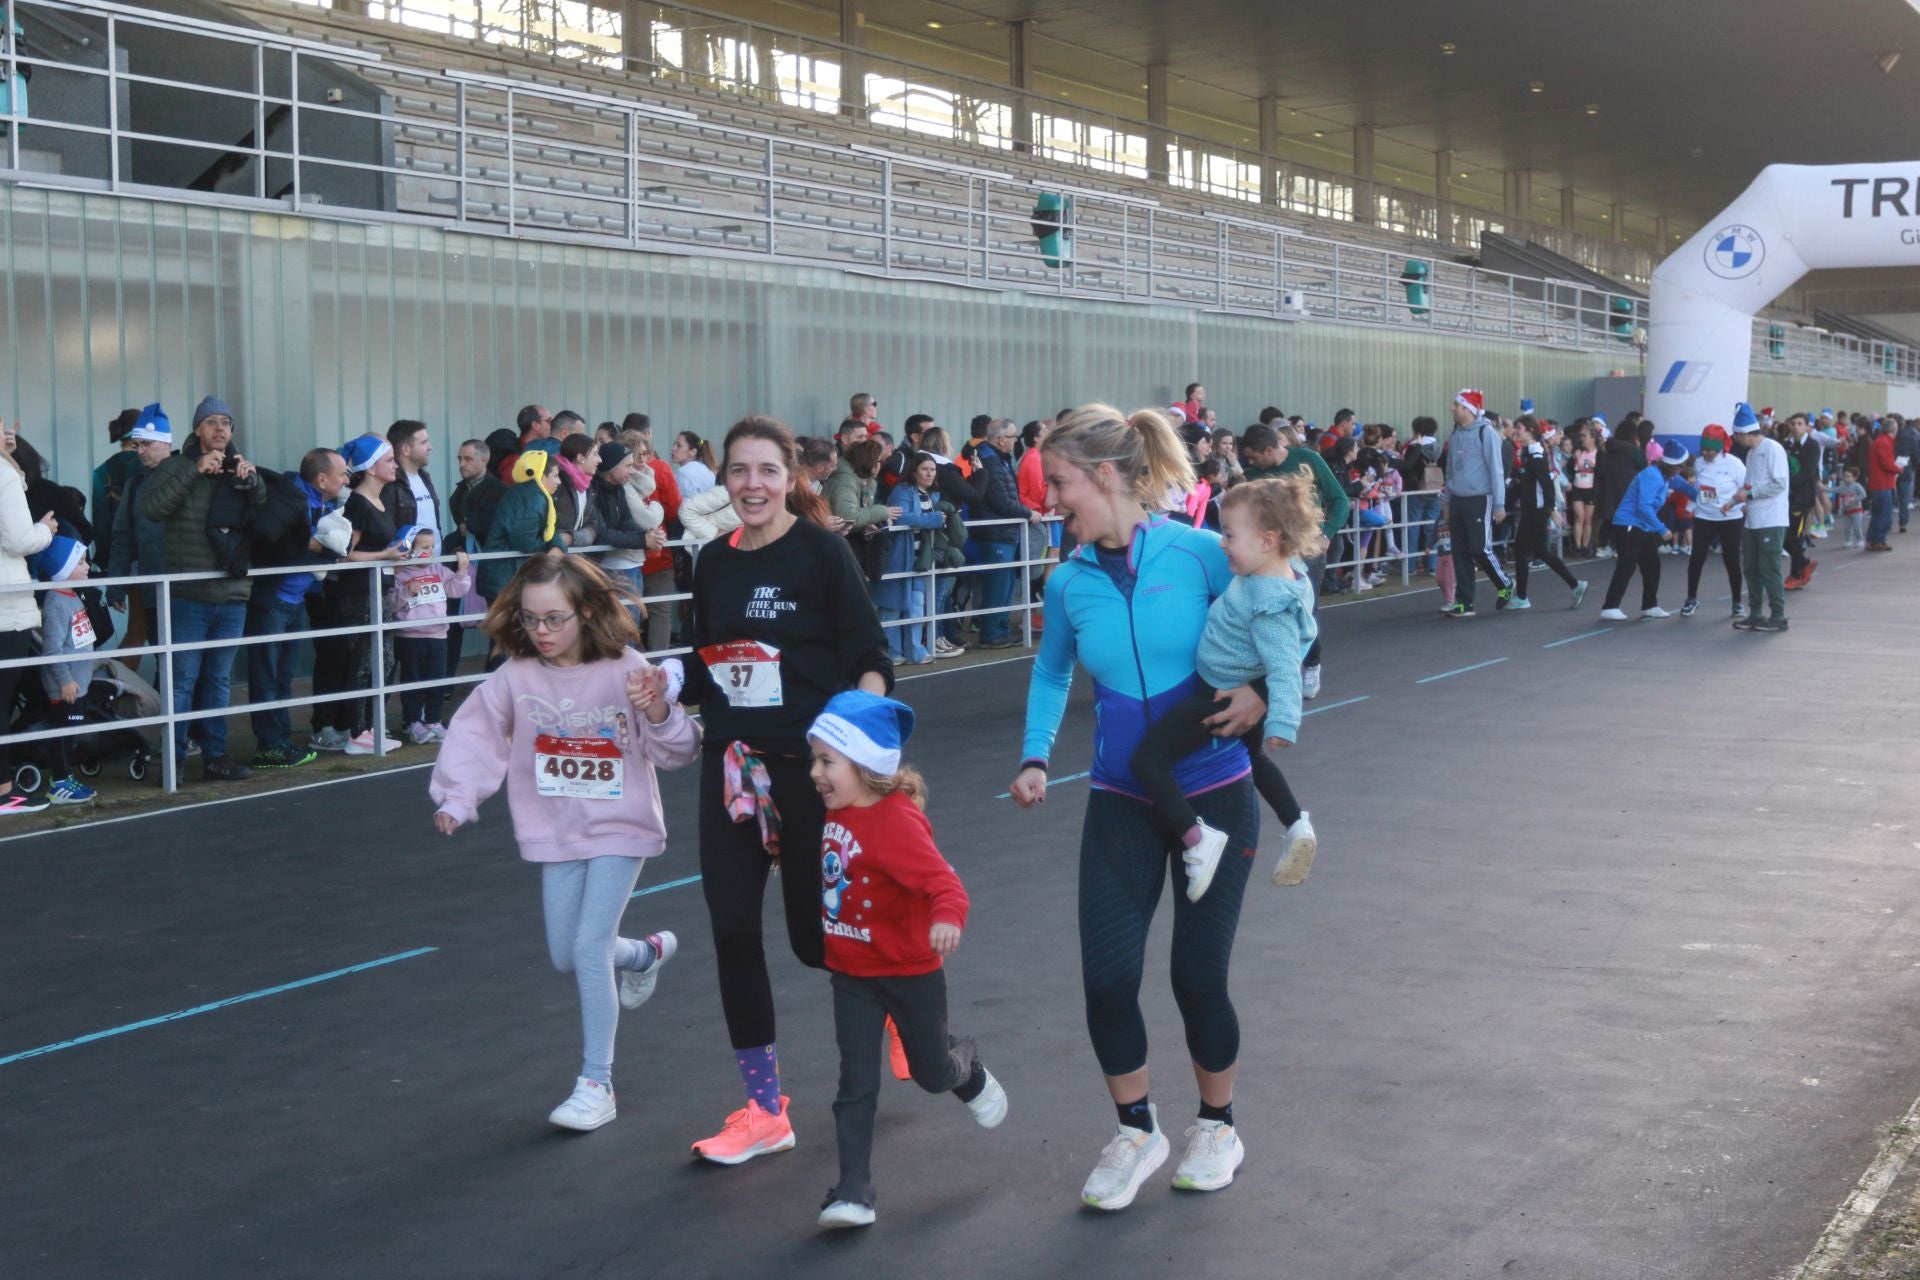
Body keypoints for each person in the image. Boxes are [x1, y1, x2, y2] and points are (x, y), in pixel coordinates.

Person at [1011, 404, 1263, 1210]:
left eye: (1060, 482)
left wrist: (1263, 692)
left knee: (1198, 977)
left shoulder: (1199, 555)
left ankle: (1218, 1124)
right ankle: (1136, 1130)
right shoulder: (1068, 581)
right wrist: (1034, 752)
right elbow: (1053, 673)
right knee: (1108, 979)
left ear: (1108, 477)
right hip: (1121, 798)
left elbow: (1290, 621)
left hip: (1217, 793)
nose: (1050, 498)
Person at [671, 415, 892, 1165]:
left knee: (810, 940)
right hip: (732, 767)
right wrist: (666, 680)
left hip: (810, 772)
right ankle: (765, 1108)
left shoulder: (823, 553)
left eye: (767, 470)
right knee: (732, 929)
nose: (752, 485)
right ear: (723, 477)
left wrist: (859, 756)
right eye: (738, 471)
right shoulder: (710, 562)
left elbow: (870, 657)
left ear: (790, 474)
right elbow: (705, 665)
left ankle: (898, 1003)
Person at [430, 551, 700, 1131]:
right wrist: (458, 796)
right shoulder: (516, 678)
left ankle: (596, 1082)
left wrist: (657, 710)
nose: (542, 632)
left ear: (586, 613)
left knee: (585, 948)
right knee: (567, 952)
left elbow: (676, 752)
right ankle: (644, 952)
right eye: (530, 619)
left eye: (555, 619)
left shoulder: (624, 667)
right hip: (555, 829)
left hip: (620, 826)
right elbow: (475, 734)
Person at [808, 691, 1007, 1230]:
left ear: (867, 766)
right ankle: (852, 1191)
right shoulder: (838, 811)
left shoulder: (897, 822)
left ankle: (964, 1068)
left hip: (909, 971)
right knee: (856, 1084)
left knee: (929, 1072)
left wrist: (946, 919)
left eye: (827, 761)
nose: (815, 773)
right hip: (852, 973)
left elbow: (944, 884)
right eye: (815, 760)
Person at [1128, 476, 1321, 896]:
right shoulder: (1286, 575)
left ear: (1267, 541)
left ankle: (1198, 839)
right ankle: (1295, 823)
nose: (1221, 543)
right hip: (1232, 686)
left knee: (1148, 761)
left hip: (1215, 697)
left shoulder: (1269, 604)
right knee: (1252, 762)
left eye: (1230, 535)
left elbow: (1286, 666)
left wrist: (1282, 723)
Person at [137, 395, 265, 781]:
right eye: (211, 422)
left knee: (218, 680)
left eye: (226, 422)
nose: (221, 428)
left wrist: (254, 481)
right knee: (182, 680)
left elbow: (263, 514)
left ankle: (215, 755)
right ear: (197, 430)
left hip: (233, 592)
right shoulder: (176, 466)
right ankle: (172, 760)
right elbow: (152, 508)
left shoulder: (240, 467)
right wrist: (194, 470)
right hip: (189, 594)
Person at [243, 447, 348, 769]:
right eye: (342, 474)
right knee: (266, 673)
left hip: (298, 599)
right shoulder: (287, 498)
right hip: (274, 600)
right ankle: (269, 745)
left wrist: (323, 546)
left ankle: (281, 740)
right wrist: (315, 544)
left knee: (283, 676)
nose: (347, 479)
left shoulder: (328, 504)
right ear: (321, 479)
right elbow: (274, 539)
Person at [310, 434, 409, 755]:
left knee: (386, 660)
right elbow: (344, 554)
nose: (395, 465)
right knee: (363, 664)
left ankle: (369, 726)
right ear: (370, 468)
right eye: (389, 460)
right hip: (358, 595)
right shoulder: (357, 504)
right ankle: (356, 731)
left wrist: (393, 554)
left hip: (380, 589)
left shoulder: (382, 499)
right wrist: (386, 556)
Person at [1241, 422, 1346, 697]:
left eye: (1253, 457)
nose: (1249, 463)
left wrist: (1326, 534)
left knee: (1304, 612)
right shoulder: (1253, 476)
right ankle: (1280, 671)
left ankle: (1311, 664)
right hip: (1273, 552)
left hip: (1308, 550)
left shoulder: (1308, 460)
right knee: (1270, 610)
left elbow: (1340, 500)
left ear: (1269, 449)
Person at [105, 406, 174, 682]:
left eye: (146, 444)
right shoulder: (134, 485)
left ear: (166, 442)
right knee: (161, 654)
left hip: (190, 590)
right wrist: (115, 585)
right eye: (136, 444)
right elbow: (121, 537)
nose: (140, 450)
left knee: (184, 665)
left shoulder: (192, 475)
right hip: (151, 585)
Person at [31, 535, 99, 805]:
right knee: (61, 732)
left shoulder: (72, 597)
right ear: (62, 569)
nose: (87, 567)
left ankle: (65, 777)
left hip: (77, 682)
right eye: (80, 562)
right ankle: (59, 783)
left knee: (69, 734)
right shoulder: (57, 602)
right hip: (66, 685)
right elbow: (52, 649)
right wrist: (65, 681)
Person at [389, 525, 472, 743]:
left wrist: (462, 570)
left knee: (437, 680)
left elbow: (457, 589)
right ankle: (412, 721)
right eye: (424, 547)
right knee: (412, 681)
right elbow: (391, 604)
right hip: (410, 636)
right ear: (408, 548)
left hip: (438, 634)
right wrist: (407, 590)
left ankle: (433, 720)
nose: (430, 551)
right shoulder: (399, 573)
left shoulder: (437, 569)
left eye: (432, 546)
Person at [1598, 441, 1694, 622]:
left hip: (1641, 526)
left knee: (1652, 566)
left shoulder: (1666, 476)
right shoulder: (1653, 476)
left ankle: (1650, 605)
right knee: (1627, 565)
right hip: (1629, 524)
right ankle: (1610, 607)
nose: (1682, 469)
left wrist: (1701, 496)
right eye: (1681, 466)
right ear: (1673, 465)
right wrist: (1662, 528)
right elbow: (1644, 507)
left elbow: (1684, 486)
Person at [1438, 390, 1512, 618]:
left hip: (1480, 499)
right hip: (1458, 500)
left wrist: (1499, 504)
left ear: (1468, 409)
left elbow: (1496, 470)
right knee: (1459, 551)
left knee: (1480, 548)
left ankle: (1505, 583)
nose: (1452, 408)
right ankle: (1465, 602)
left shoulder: (1485, 432)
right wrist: (1448, 500)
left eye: (1456, 405)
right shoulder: (1455, 433)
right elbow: (1450, 469)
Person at [478, 445, 578, 602]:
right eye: (555, 475)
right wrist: (553, 546)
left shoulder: (531, 493)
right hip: (507, 576)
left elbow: (548, 531)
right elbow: (526, 543)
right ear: (541, 475)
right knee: (513, 625)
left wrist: (557, 544)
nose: (559, 481)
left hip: (506, 574)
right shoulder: (534, 499)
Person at [874, 452, 946, 665]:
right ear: (914, 471)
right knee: (892, 606)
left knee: (916, 607)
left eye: (932, 469)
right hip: (899, 557)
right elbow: (899, 516)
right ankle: (891, 652)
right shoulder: (902, 490)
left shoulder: (934, 495)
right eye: (924, 469)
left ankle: (915, 651)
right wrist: (932, 519)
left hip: (920, 560)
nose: (929, 473)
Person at [1507, 417, 1585, 610]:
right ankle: (1575, 585)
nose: (1516, 431)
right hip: (1533, 508)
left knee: (1520, 550)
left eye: (1519, 428)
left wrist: (1552, 510)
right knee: (1540, 551)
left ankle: (1522, 597)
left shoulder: (1536, 456)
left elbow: (1547, 484)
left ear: (1531, 430)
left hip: (1536, 510)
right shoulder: (1529, 453)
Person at [1730, 405, 1790, 632]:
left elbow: (1779, 484)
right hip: (1753, 519)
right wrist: (1736, 500)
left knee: (1769, 568)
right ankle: (1755, 613)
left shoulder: (1773, 449)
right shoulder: (1752, 453)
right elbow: (1749, 485)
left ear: (1744, 433)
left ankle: (1778, 615)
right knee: (1752, 568)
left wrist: (1750, 495)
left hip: (1771, 519)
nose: (1736, 440)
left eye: (1736, 435)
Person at [1682, 422, 1746, 618]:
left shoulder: (1734, 463)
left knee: (1731, 560)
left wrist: (1735, 504)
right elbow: (1697, 489)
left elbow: (1746, 488)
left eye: (1710, 449)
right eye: (1703, 449)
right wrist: (1690, 507)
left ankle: (1737, 602)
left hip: (1730, 518)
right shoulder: (1699, 463)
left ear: (1719, 447)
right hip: (1704, 517)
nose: (1706, 453)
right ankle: (1691, 598)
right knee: (1696, 558)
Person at [90, 408, 142, 570]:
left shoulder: (101, 472)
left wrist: (105, 560)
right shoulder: (153, 466)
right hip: (151, 554)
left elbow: (101, 524)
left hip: (117, 556)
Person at [380, 419, 441, 544]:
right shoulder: (391, 484)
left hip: (435, 561)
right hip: (407, 562)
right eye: (424, 443)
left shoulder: (425, 478)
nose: (430, 447)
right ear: (406, 449)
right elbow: (387, 533)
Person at [1866, 419, 1900, 551]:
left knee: (1877, 514)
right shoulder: (1884, 442)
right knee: (1884, 515)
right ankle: (1878, 540)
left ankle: (1872, 540)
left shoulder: (1879, 441)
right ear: (1893, 430)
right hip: (1883, 483)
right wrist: (1899, 468)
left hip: (1878, 483)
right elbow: (1885, 463)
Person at [671, 430, 717, 499]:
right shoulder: (708, 470)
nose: (673, 449)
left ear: (693, 452)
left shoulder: (684, 473)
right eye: (674, 444)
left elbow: (685, 505)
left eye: (679, 446)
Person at [1836, 466, 1867, 548]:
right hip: (1846, 510)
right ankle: (1848, 541)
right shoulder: (1842, 487)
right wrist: (1822, 488)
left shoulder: (1857, 486)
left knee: (1857, 526)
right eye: (1844, 476)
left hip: (1856, 510)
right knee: (1847, 527)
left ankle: (1860, 540)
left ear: (1854, 477)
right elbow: (1834, 489)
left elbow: (1863, 495)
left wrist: (1854, 499)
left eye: (1848, 476)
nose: (1846, 478)